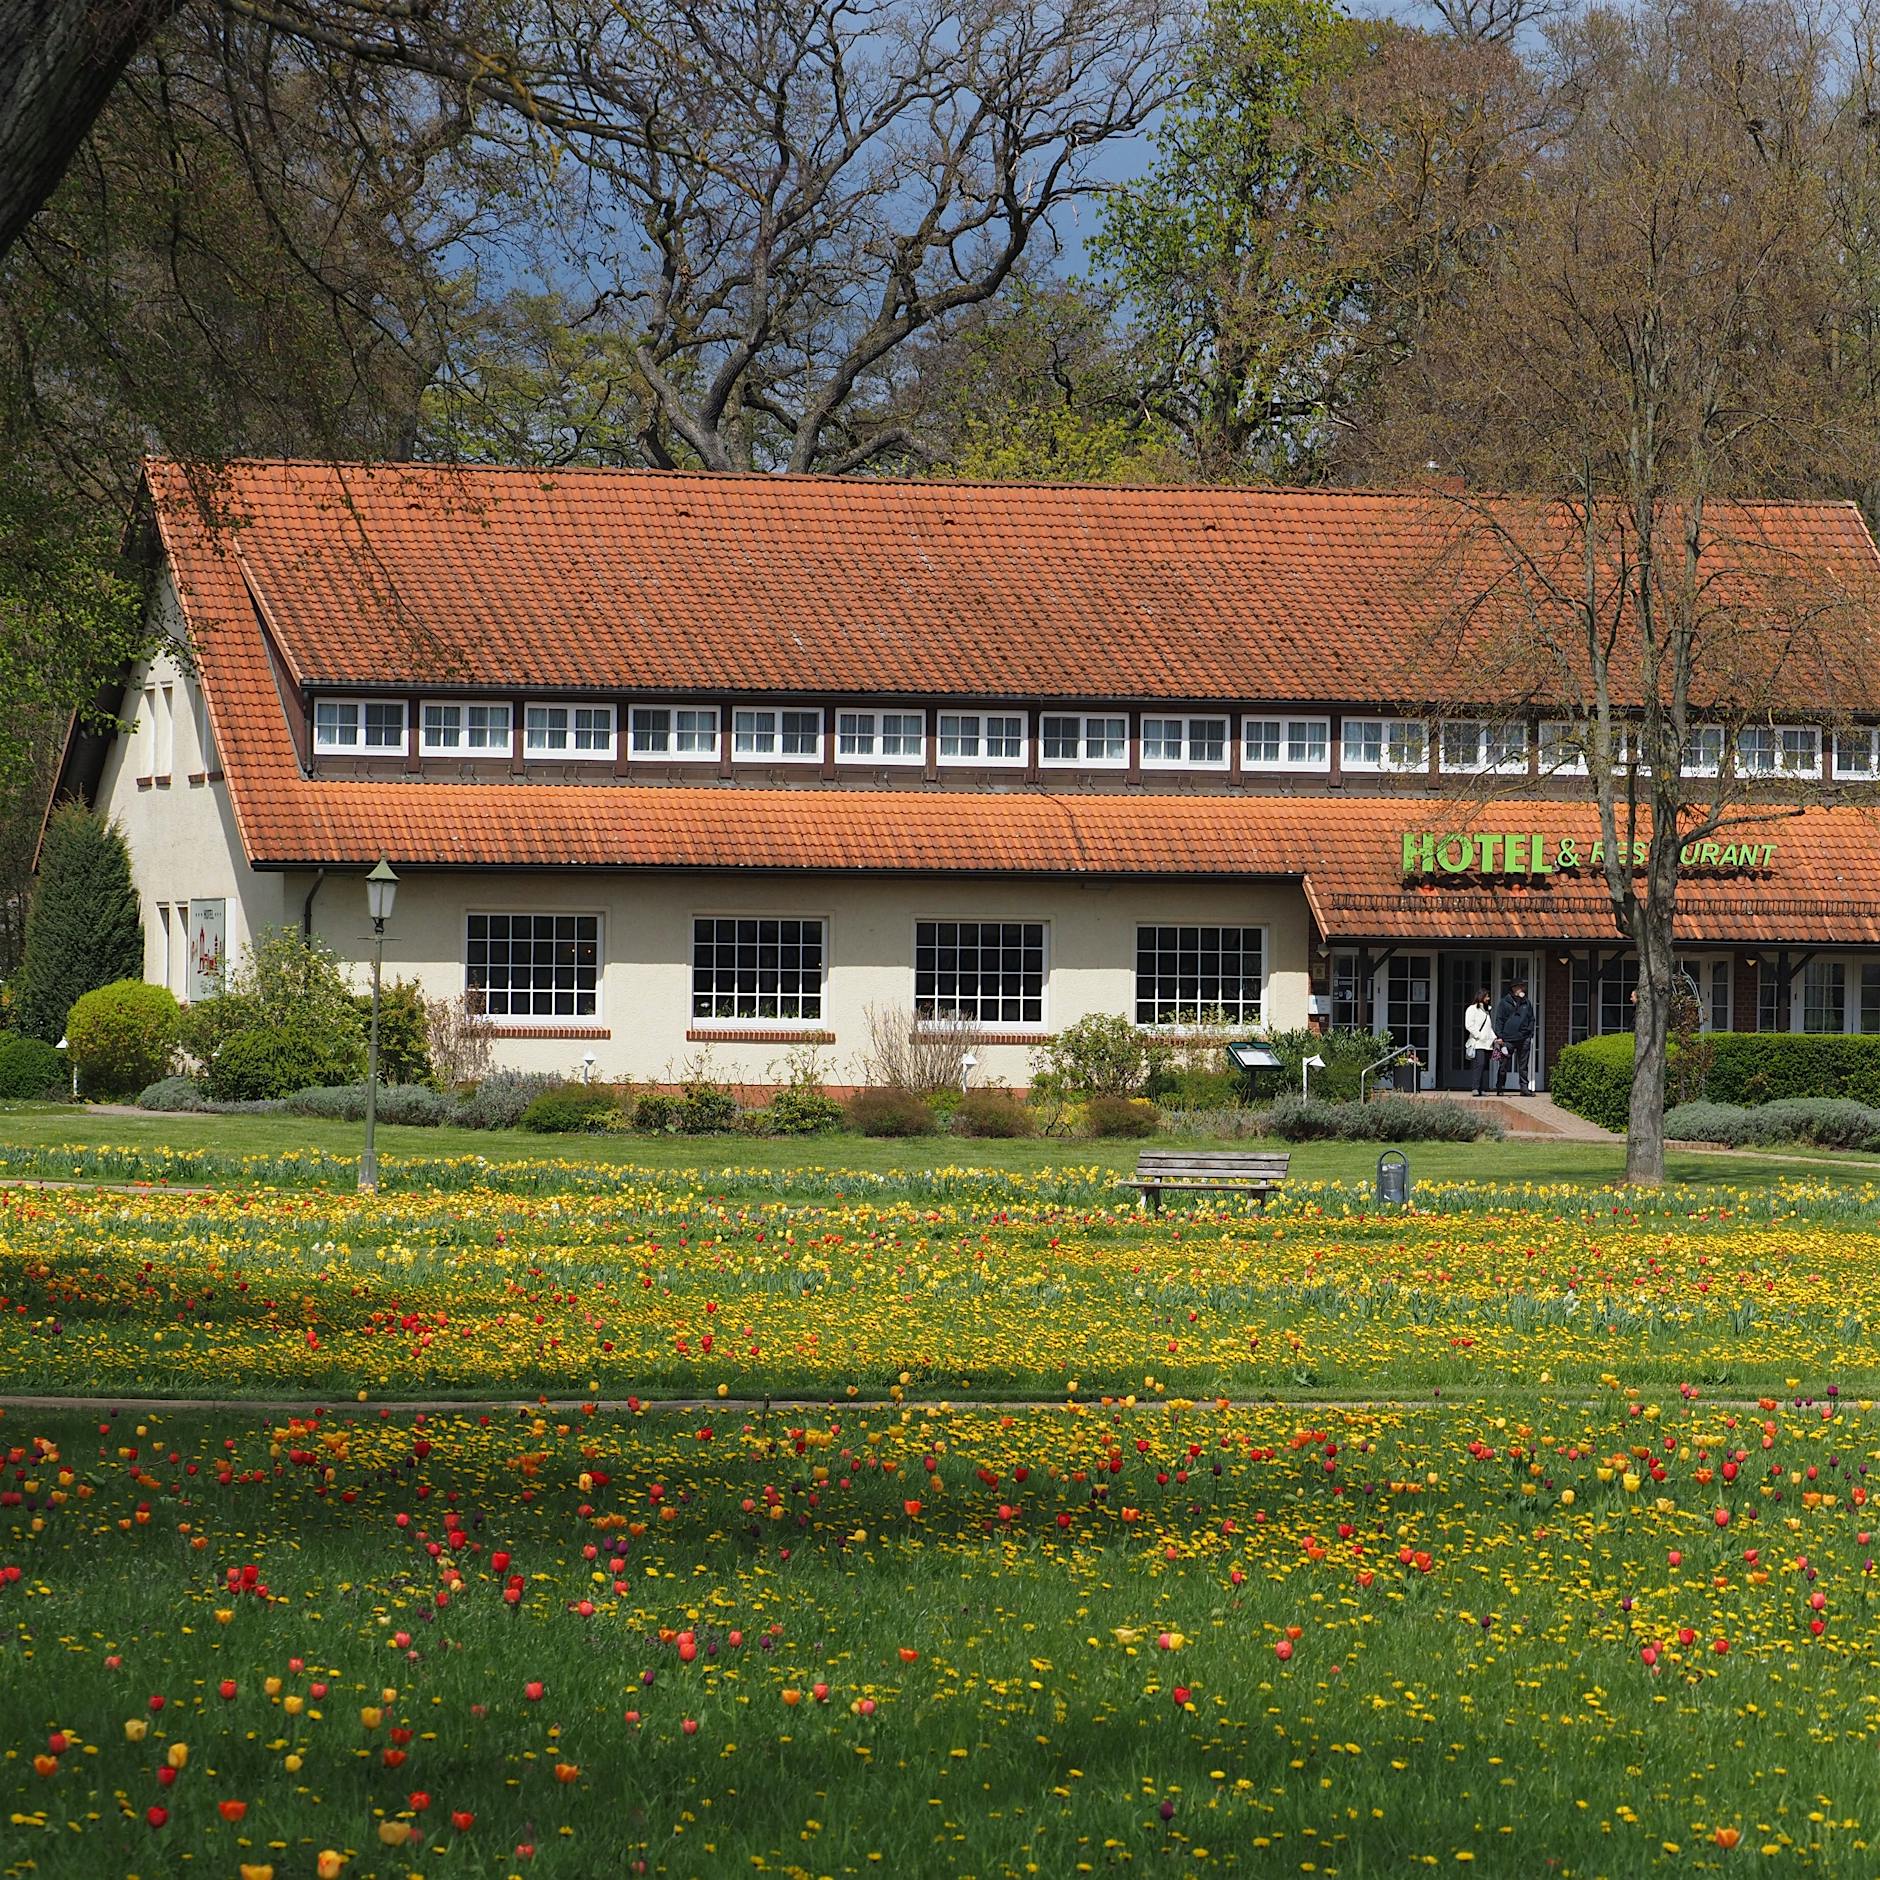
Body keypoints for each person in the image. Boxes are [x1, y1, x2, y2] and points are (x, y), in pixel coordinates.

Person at [1492, 980, 1536, 1095]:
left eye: (1522, 987)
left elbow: (1531, 1019)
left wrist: (1530, 1033)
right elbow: (1499, 1020)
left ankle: (1524, 1088)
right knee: (1504, 1064)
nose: (1521, 989)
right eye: (1519, 987)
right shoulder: (1504, 1003)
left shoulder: (1526, 1003)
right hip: (1508, 1039)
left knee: (1523, 1066)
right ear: (1513, 988)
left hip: (1524, 1038)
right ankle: (1500, 1087)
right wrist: (1499, 1036)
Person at [1463, 987, 1497, 1095]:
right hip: (1477, 1043)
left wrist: (1494, 1037)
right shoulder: (1472, 1009)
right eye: (1486, 996)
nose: (1488, 998)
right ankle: (1475, 1088)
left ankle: (1481, 1088)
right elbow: (1469, 1025)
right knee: (1479, 1064)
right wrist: (1479, 1035)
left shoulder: (1486, 1011)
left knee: (1483, 1066)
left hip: (1487, 1043)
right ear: (1481, 997)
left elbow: (1488, 1026)